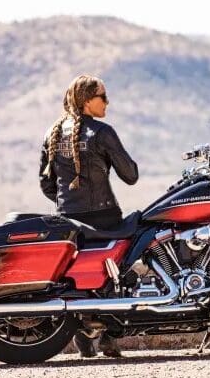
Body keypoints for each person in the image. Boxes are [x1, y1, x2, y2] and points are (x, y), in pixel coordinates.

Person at [39, 74, 139, 357]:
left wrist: (69, 205)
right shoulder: (102, 132)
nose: (108, 102)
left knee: (80, 277)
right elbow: (130, 175)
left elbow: (47, 184)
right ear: (86, 101)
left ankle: (85, 331)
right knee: (118, 275)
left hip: (68, 220)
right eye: (103, 97)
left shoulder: (51, 133)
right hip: (104, 217)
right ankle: (107, 334)